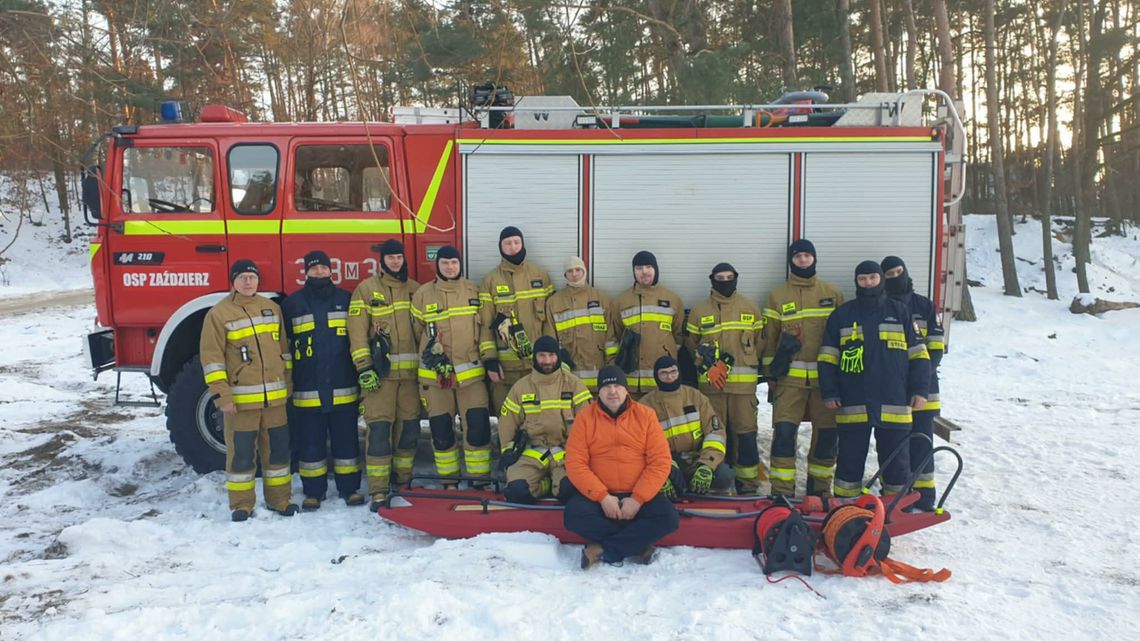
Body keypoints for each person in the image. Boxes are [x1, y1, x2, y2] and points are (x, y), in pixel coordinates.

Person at [818, 261, 930, 499]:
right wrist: (830, 392)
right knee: (849, 462)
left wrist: (920, 390)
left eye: (872, 278)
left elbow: (920, 356)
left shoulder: (900, 312)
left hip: (895, 402)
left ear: (881, 279)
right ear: (856, 282)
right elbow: (827, 358)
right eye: (863, 279)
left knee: (897, 463)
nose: (868, 283)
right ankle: (846, 506)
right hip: (852, 402)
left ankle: (894, 507)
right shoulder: (843, 315)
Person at [200, 259, 296, 521]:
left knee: (277, 453)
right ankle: (242, 504)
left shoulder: (271, 309)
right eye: (242, 277)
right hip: (241, 403)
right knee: (242, 456)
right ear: (233, 281)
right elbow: (212, 359)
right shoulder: (218, 314)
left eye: (252, 277)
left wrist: (287, 385)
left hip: (275, 401)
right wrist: (222, 396)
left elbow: (284, 352)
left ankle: (280, 500)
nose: (247, 282)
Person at [564, 366, 679, 569]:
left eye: (618, 385)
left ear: (626, 390)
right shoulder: (584, 418)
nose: (612, 391)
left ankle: (602, 549)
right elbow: (575, 463)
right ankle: (638, 545)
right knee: (573, 516)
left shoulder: (646, 416)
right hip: (600, 496)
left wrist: (637, 499)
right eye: (607, 386)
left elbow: (660, 461)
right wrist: (603, 497)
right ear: (598, 391)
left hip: (637, 494)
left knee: (668, 518)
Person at [761, 239, 844, 498]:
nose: (803, 260)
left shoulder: (832, 294)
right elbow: (769, 339)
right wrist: (771, 376)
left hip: (826, 383)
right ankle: (782, 492)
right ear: (791, 261)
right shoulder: (777, 295)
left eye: (807, 256)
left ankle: (819, 492)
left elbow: (844, 338)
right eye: (798, 257)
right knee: (784, 435)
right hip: (789, 382)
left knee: (827, 438)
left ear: (815, 259)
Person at [282, 251, 364, 510]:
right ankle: (313, 492)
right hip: (307, 389)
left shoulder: (346, 300)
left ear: (331, 271)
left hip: (343, 387)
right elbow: (284, 347)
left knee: (347, 442)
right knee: (310, 444)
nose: (319, 272)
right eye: (314, 268)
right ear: (305, 272)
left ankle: (349, 489)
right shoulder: (293, 304)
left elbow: (358, 340)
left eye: (323, 268)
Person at [411, 245, 497, 486]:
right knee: (441, 431)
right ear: (437, 265)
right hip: (435, 379)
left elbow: (484, 330)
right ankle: (448, 481)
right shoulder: (423, 294)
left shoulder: (473, 291)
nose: (450, 267)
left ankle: (479, 479)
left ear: (460, 265)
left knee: (478, 429)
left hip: (471, 378)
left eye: (454, 263)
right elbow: (418, 332)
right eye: (445, 263)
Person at [349, 239, 422, 510]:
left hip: (411, 379)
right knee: (379, 432)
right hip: (380, 379)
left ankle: (402, 483)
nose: (395, 262)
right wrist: (364, 367)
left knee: (409, 432)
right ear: (383, 262)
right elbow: (356, 333)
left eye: (399, 258)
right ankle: (378, 491)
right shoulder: (366, 290)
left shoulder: (415, 290)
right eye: (390, 258)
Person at [685, 263, 766, 492]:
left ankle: (748, 486)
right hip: (712, 390)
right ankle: (717, 484)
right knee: (714, 436)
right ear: (712, 280)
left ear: (736, 279)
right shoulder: (700, 311)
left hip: (744, 392)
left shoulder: (750, 308)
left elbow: (760, 341)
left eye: (729, 277)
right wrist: (705, 362)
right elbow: (691, 345)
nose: (725, 281)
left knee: (746, 437)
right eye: (720, 277)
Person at [882, 255, 946, 511]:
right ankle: (903, 495)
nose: (896, 277)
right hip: (894, 391)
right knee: (897, 445)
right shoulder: (884, 307)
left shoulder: (925, 306)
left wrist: (918, 378)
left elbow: (936, 348)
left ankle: (925, 495)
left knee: (922, 440)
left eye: (899, 271)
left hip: (924, 390)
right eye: (890, 274)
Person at [497, 336, 592, 503]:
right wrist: (508, 452)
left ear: (558, 356)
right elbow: (507, 423)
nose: (547, 360)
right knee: (516, 492)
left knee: (571, 490)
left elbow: (588, 423)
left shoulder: (574, 385)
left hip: (566, 455)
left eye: (551, 355)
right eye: (541, 355)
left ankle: (555, 485)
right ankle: (546, 486)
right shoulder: (521, 387)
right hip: (531, 455)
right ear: (534, 357)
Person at [480, 226, 553, 415]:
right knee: (507, 417)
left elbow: (551, 323)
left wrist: (551, 356)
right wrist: (490, 360)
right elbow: (486, 325)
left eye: (516, 242)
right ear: (500, 247)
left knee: (540, 416)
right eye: (507, 243)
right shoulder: (490, 281)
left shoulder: (540, 275)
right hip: (506, 370)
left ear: (522, 244)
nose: (513, 247)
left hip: (537, 366)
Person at [639, 356, 734, 497]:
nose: (669, 377)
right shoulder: (645, 406)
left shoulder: (696, 397)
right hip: (668, 464)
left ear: (679, 372)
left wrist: (707, 465)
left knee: (724, 475)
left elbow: (716, 433)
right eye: (664, 373)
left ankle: (710, 501)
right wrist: (660, 473)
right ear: (656, 376)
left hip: (697, 460)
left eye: (673, 372)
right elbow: (640, 445)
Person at [612, 251, 684, 397]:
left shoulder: (673, 300)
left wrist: (667, 353)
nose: (644, 271)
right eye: (638, 268)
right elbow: (613, 337)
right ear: (633, 272)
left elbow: (679, 336)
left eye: (648, 266)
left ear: (656, 269)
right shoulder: (620, 301)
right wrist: (616, 366)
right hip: (630, 382)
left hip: (662, 381)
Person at [544, 256, 619, 390]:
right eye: (570, 271)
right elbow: (550, 339)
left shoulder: (601, 298)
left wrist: (612, 364)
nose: (574, 274)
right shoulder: (554, 302)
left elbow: (611, 337)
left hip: (598, 374)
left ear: (584, 271)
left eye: (578, 270)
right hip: (568, 376)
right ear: (565, 274)